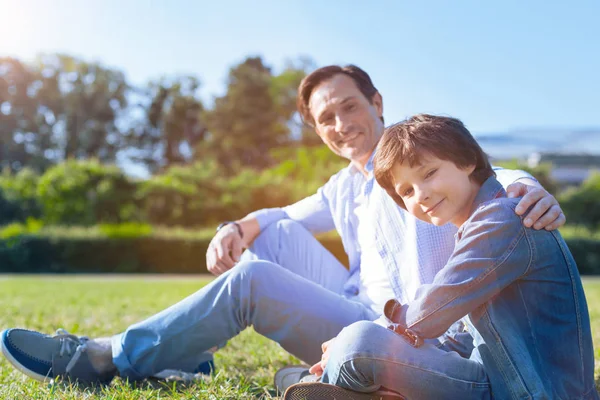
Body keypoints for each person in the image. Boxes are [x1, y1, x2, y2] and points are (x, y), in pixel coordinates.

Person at [0, 66, 566, 385]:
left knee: (251, 282)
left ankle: (106, 358)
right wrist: (235, 224)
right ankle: (177, 347)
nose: (342, 124)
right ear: (318, 131)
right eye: (326, 118)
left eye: (349, 107)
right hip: (359, 309)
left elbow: (488, 173)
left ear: (376, 101)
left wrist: (528, 189)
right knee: (265, 239)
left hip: (415, 327)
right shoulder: (342, 186)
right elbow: (282, 217)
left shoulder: (422, 161)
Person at [287, 115, 597, 400]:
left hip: (531, 391)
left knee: (359, 340)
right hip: (500, 379)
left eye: (430, 173)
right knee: (369, 344)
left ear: (466, 161)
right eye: (406, 191)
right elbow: (463, 335)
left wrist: (364, 338)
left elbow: (428, 314)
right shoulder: (478, 224)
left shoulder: (503, 219)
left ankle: (335, 384)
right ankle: (353, 386)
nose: (420, 194)